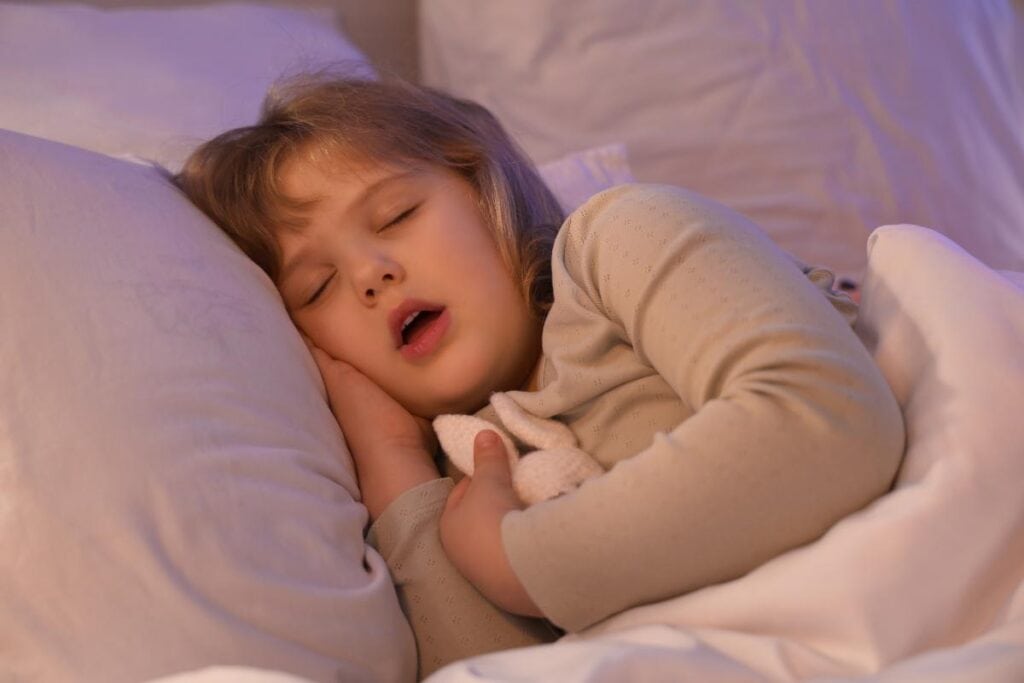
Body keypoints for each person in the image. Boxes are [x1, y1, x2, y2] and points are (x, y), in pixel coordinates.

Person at [174, 73, 905, 679]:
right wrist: (396, 470)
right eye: (318, 287)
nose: (371, 274)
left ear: (484, 188)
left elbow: (827, 420)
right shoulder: (466, 485)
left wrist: (517, 563)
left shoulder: (617, 243)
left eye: (395, 214)